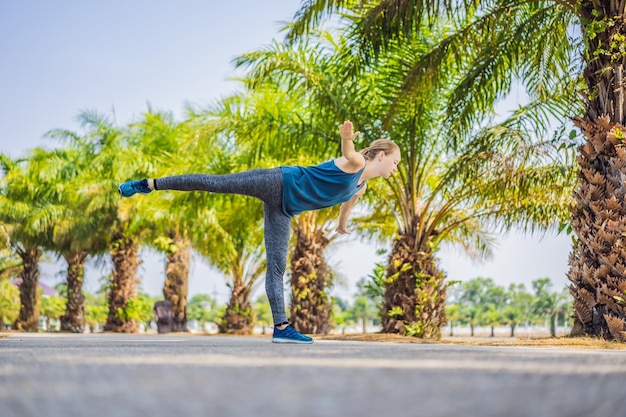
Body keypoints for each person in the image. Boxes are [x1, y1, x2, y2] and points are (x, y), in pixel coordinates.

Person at [118, 120, 401, 343]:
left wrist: (341, 224)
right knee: (216, 183)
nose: (395, 169)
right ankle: (149, 184)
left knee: (277, 266)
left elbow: (347, 204)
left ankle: (281, 327)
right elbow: (349, 153)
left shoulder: (361, 186)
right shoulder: (358, 163)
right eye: (395, 162)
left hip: (284, 208)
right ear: (381, 155)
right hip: (277, 182)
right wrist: (347, 137)